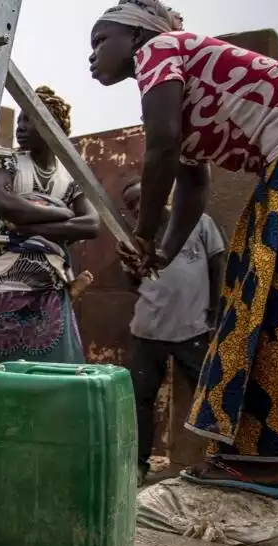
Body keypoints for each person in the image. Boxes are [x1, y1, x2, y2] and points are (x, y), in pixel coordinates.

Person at [90, 0, 278, 498]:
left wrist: (144, 235)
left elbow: (160, 147)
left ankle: (259, 463)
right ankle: (275, 459)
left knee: (267, 300)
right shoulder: (187, 82)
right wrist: (163, 252)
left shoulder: (158, 50)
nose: (91, 56)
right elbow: (193, 186)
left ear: (134, 37)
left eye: (99, 41)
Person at [0, 87, 100, 364]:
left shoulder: (68, 173)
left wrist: (28, 228)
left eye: (29, 120)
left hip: (51, 289)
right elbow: (3, 203)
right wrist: (61, 214)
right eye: (20, 120)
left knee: (53, 367)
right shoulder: (9, 162)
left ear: (52, 126)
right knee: (4, 365)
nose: (20, 128)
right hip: (4, 286)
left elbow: (92, 225)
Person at [121, 178, 226, 479]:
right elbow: (131, 286)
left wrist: (214, 314)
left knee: (207, 396)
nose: (139, 207)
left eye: (142, 198)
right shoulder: (134, 240)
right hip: (147, 331)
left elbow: (218, 265)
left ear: (159, 195)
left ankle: (223, 460)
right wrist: (131, 269)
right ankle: (139, 465)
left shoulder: (199, 223)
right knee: (141, 399)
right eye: (131, 205)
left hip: (192, 329)